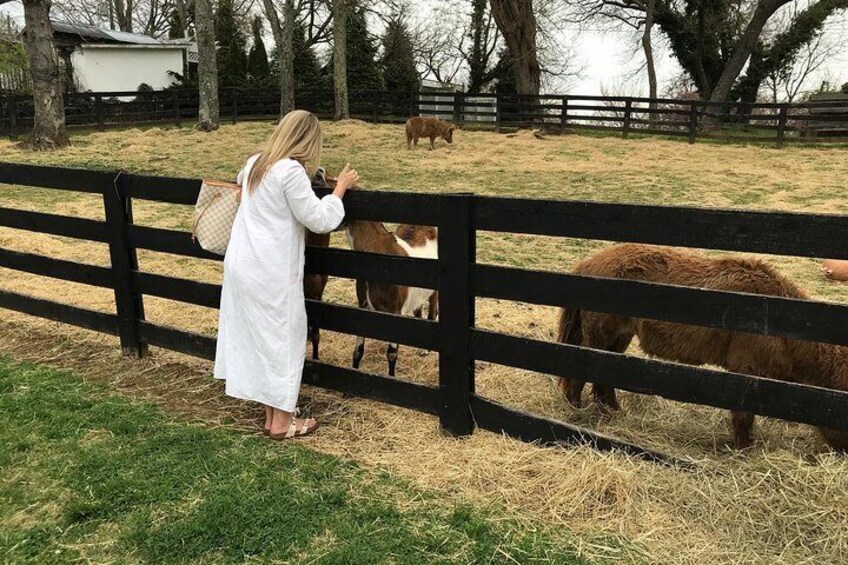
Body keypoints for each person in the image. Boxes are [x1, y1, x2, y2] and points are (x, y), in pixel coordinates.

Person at [214, 110, 358, 440]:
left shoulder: (255, 164)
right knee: (284, 338)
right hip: (271, 270)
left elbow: (243, 186)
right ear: (306, 140)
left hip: (243, 264)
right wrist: (341, 190)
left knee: (262, 338)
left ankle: (272, 415)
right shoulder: (290, 172)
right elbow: (319, 219)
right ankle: (282, 423)